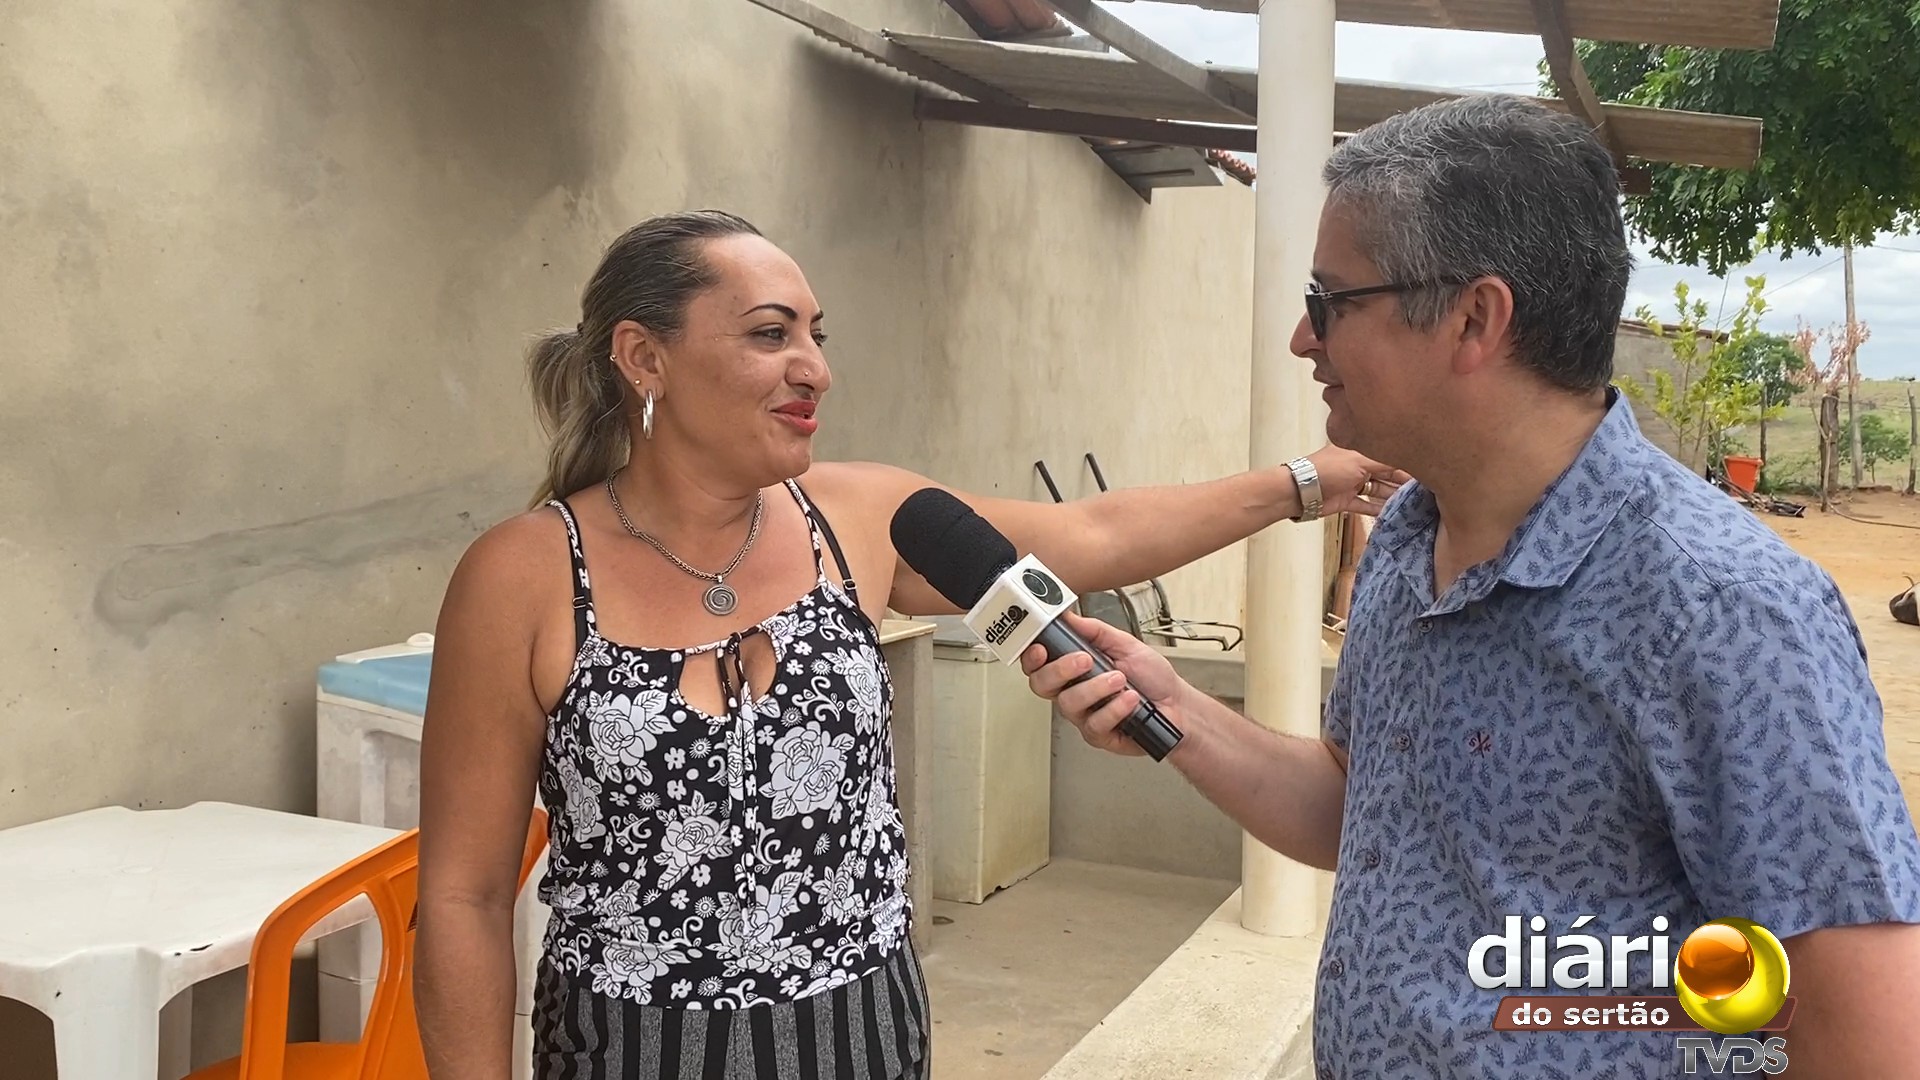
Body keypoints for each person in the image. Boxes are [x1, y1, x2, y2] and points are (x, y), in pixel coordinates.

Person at [1023, 95, 1920, 1080]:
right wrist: (1177, 711)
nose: (1302, 340)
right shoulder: (1408, 541)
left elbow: (1863, 1038)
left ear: (1474, 318)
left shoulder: (1725, 613)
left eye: (1330, 301)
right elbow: (1359, 805)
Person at [413, 209, 1404, 1080]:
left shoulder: (859, 518)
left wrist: (1305, 482)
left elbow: (1096, 534)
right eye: (770, 334)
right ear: (644, 357)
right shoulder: (524, 575)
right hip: (629, 1048)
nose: (815, 368)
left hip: (862, 1034)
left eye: (816, 335)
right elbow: (464, 894)